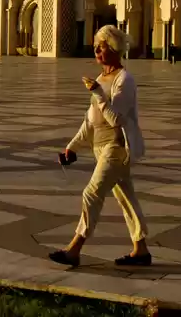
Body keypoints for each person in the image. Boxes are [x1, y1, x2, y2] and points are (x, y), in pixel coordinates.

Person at [49, 25, 150, 269]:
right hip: (100, 147)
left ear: (114, 49)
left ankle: (75, 247)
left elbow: (116, 119)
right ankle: (141, 250)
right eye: (96, 46)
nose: (97, 50)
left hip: (116, 147)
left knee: (91, 193)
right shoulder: (101, 79)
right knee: (126, 198)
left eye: (102, 46)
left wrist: (98, 93)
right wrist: (72, 147)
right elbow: (91, 121)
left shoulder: (124, 80)